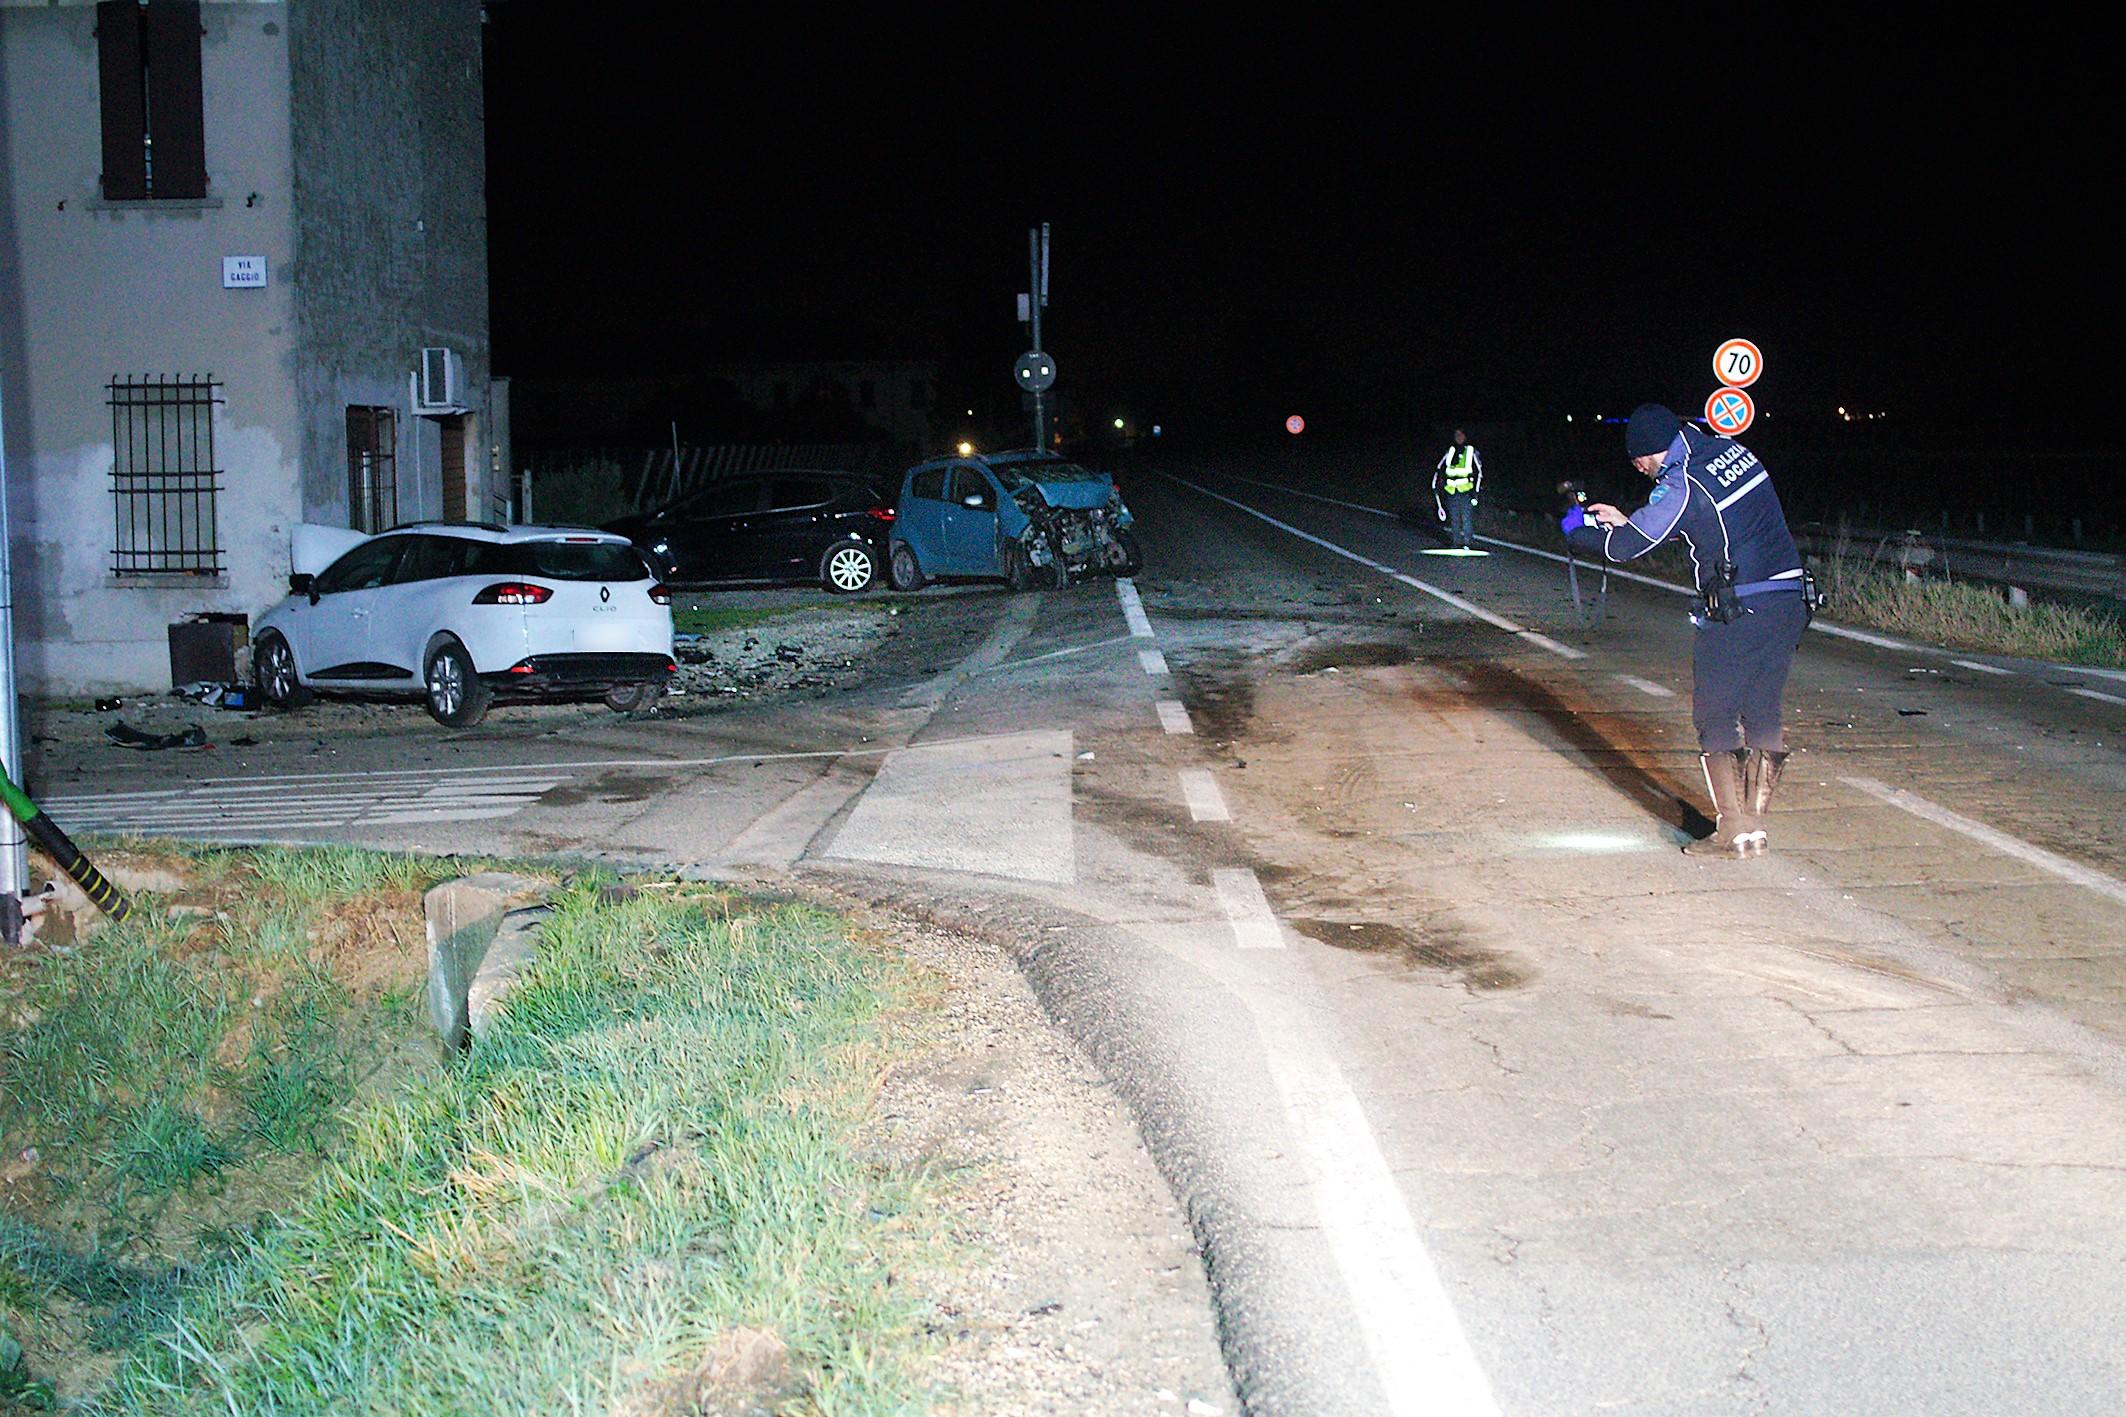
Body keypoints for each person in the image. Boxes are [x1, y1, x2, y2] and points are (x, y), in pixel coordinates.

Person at [1559, 403, 1807, 858]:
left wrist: (1578, 529)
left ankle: (1732, 829)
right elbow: (1703, 518)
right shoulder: (1732, 452)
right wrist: (1629, 516)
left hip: (1739, 608)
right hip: (1789, 600)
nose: (1645, 473)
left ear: (1643, 458)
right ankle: (1753, 825)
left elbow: (1627, 547)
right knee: (1762, 711)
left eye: (1642, 466)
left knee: (1714, 716)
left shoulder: (1681, 478)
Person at [1432, 429, 1483, 549]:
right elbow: (1440, 469)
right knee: (1454, 518)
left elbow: (1479, 472)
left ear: (1465, 436)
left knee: (1466, 518)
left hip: (1466, 492)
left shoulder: (1471, 451)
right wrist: (1437, 485)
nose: (1458, 437)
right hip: (1451, 492)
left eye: (1461, 435)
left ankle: (1467, 542)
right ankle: (1456, 541)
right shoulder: (1450, 451)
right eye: (1456, 435)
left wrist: (1476, 492)